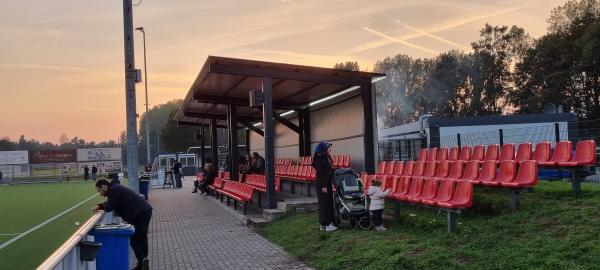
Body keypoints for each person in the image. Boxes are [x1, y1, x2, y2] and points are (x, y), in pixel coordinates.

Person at [92, 179, 152, 270]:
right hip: (142, 212)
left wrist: (101, 206)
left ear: (104, 186)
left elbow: (109, 206)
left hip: (141, 213)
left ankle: (143, 262)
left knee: (136, 239)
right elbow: (111, 202)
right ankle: (142, 263)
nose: (100, 193)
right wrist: (100, 206)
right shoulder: (115, 188)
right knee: (141, 238)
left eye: (99, 190)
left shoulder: (113, 190)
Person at [312, 142, 337, 232]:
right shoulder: (319, 159)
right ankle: (327, 224)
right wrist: (323, 186)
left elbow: (328, 169)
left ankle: (324, 224)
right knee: (325, 204)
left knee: (327, 203)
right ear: (323, 149)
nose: (330, 149)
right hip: (323, 184)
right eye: (328, 148)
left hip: (326, 183)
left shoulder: (324, 157)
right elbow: (320, 174)